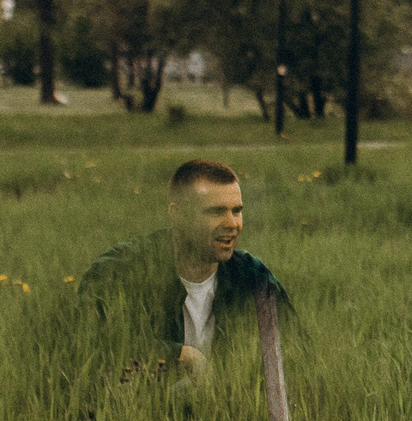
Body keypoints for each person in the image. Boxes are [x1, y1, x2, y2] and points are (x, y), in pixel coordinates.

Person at [80, 159, 290, 373]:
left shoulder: (251, 276)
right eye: (216, 212)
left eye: (236, 211)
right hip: (145, 401)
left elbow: (295, 350)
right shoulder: (121, 269)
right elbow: (90, 338)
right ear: (177, 214)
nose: (232, 224)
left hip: (226, 402)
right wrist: (177, 355)